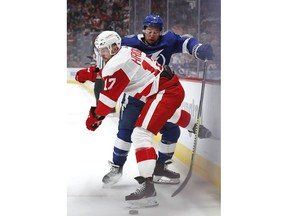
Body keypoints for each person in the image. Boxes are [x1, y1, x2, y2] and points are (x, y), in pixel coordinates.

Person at [75, 15, 214, 186]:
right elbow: (110, 64)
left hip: (157, 92)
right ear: (143, 30)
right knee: (126, 131)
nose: (152, 34)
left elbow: (186, 42)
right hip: (137, 95)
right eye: (149, 31)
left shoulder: (166, 41)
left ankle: (159, 168)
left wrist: (197, 48)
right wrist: (92, 72)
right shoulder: (127, 44)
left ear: (160, 32)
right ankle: (117, 167)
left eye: (156, 31)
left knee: (170, 129)